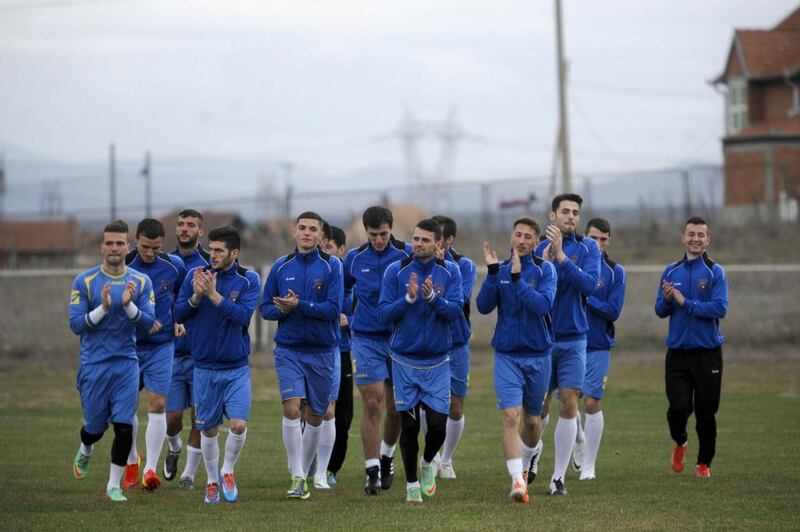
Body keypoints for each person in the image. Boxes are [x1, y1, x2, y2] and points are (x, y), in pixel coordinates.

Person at [69, 219, 156, 502]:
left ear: (128, 247)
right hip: (94, 365)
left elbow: (148, 323)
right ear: (101, 248)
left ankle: (113, 486)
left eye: (120, 243)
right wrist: (104, 308)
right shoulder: (85, 281)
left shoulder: (141, 281)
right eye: (110, 243)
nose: (115, 248)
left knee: (124, 425)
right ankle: (86, 447)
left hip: (126, 364)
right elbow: (76, 325)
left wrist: (128, 305)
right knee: (95, 429)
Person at [377, 218, 463, 504]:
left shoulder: (450, 271)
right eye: (415, 238)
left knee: (438, 425)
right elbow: (383, 314)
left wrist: (432, 298)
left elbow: (454, 312)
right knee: (410, 426)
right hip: (404, 361)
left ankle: (428, 463)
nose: (418, 244)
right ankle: (412, 483)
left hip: (438, 362)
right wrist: (408, 299)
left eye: (425, 240)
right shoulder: (396, 271)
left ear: (438, 243)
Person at [174, 226, 260, 504]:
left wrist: (214, 296)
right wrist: (196, 297)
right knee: (208, 429)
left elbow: (243, 316)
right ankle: (211, 481)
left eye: (219, 250)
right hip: (204, 369)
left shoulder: (249, 280)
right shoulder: (193, 276)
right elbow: (177, 313)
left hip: (236, 368)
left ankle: (227, 471)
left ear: (234, 253)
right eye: (211, 249)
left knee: (237, 425)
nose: (213, 254)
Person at [261, 212, 343, 500]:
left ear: (321, 236)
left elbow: (333, 310)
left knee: (316, 416)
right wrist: (282, 309)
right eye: (302, 228)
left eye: (313, 229)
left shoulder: (332, 266)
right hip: (289, 349)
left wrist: (299, 305)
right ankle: (297, 475)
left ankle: (305, 472)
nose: (307, 233)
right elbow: (265, 309)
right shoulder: (281, 267)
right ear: (294, 232)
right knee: (292, 408)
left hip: (322, 351)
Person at [476, 217, 557, 504]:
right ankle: (517, 480)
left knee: (533, 422)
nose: (522, 240)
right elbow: (483, 307)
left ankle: (527, 461)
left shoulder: (546, 270)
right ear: (511, 237)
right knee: (511, 417)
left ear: (536, 242)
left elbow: (542, 305)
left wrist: (517, 279)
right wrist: (492, 273)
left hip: (539, 356)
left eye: (528, 237)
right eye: (518, 235)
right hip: (507, 355)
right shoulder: (499, 271)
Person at [534, 193, 601, 496]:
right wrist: (547, 259)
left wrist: (562, 258)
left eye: (575, 212)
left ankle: (557, 477)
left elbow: (589, 285)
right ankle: (532, 451)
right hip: (542, 340)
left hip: (574, 339)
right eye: (565, 212)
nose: (571, 217)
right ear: (553, 216)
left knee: (570, 402)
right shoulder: (536, 249)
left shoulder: (589, 248)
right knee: (537, 409)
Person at [342, 206, 412, 495]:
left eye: (383, 234)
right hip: (366, 339)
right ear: (365, 232)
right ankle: (371, 470)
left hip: (399, 340)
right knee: (373, 402)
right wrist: (348, 315)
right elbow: (343, 291)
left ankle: (386, 456)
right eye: (373, 235)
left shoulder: (407, 254)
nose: (379, 240)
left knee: (396, 408)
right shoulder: (354, 258)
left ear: (391, 228)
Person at [655, 216, 727, 479]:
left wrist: (686, 303)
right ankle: (681, 442)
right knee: (678, 409)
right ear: (683, 238)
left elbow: (720, 308)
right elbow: (659, 310)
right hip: (677, 355)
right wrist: (666, 300)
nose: (695, 239)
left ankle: (703, 462)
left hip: (708, 354)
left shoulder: (715, 272)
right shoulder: (671, 271)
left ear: (708, 240)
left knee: (706, 413)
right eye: (691, 234)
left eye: (700, 235)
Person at [123, 218, 187, 492]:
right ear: (136, 239)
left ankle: (150, 468)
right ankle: (131, 460)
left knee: (158, 404)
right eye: (145, 247)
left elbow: (181, 299)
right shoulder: (123, 266)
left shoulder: (175, 266)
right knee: (125, 409)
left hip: (162, 346)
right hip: (128, 346)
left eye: (156, 248)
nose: (150, 253)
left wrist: (179, 318)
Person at [571, 217, 625, 481]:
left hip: (598, 345)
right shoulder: (573, 264)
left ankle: (589, 465)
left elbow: (613, 310)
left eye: (604, 239)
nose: (599, 243)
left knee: (592, 402)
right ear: (585, 237)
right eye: (594, 238)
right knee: (569, 405)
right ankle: (579, 440)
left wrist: (587, 297)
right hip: (570, 343)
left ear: (609, 240)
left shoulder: (616, 272)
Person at [165, 208, 210, 488]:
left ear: (200, 231)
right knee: (171, 419)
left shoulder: (208, 264)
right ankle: (173, 447)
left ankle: (188, 475)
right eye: (181, 224)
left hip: (200, 354)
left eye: (190, 224)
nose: (184, 228)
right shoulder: (165, 264)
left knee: (199, 416)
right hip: (170, 352)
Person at [429, 215, 477, 479]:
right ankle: (432, 457)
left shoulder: (464, 266)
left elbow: (457, 297)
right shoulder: (419, 264)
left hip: (457, 344)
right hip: (429, 344)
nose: (433, 243)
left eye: (439, 239)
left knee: (456, 405)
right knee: (428, 404)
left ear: (449, 240)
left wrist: (440, 263)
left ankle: (447, 459)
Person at [319, 225, 354, 488]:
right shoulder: (313, 276)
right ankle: (309, 463)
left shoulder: (351, 281)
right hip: (314, 350)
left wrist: (349, 320)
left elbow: (370, 314)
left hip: (341, 352)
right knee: (310, 409)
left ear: (341, 250)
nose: (324, 251)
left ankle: (332, 468)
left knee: (342, 416)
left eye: (329, 247)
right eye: (322, 246)